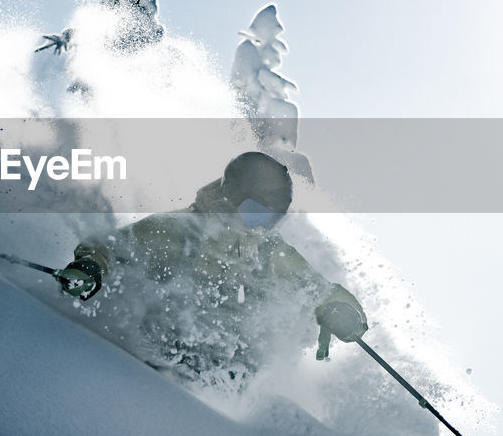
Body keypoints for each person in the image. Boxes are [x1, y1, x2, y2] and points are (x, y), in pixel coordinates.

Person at [53, 152, 369, 385]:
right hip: (153, 367)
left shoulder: (268, 253)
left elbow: (317, 288)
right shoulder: (177, 231)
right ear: (228, 196)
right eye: (254, 213)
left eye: (272, 219)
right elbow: (109, 246)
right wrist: (91, 267)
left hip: (223, 380)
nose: (259, 228)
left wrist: (340, 310)